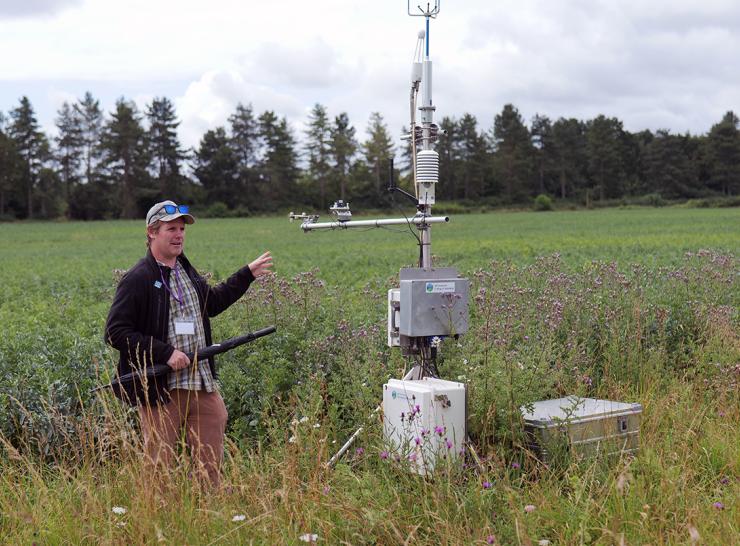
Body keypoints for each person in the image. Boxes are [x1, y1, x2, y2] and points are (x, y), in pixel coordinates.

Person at [105, 200, 272, 487]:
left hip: (200, 381)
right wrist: (165, 352)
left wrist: (247, 275)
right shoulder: (138, 278)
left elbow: (213, 303)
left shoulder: (185, 269)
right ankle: (157, 520)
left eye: (182, 229)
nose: (179, 234)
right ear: (151, 232)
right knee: (160, 467)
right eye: (171, 229)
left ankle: (209, 514)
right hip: (161, 388)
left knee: (211, 458)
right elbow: (115, 332)